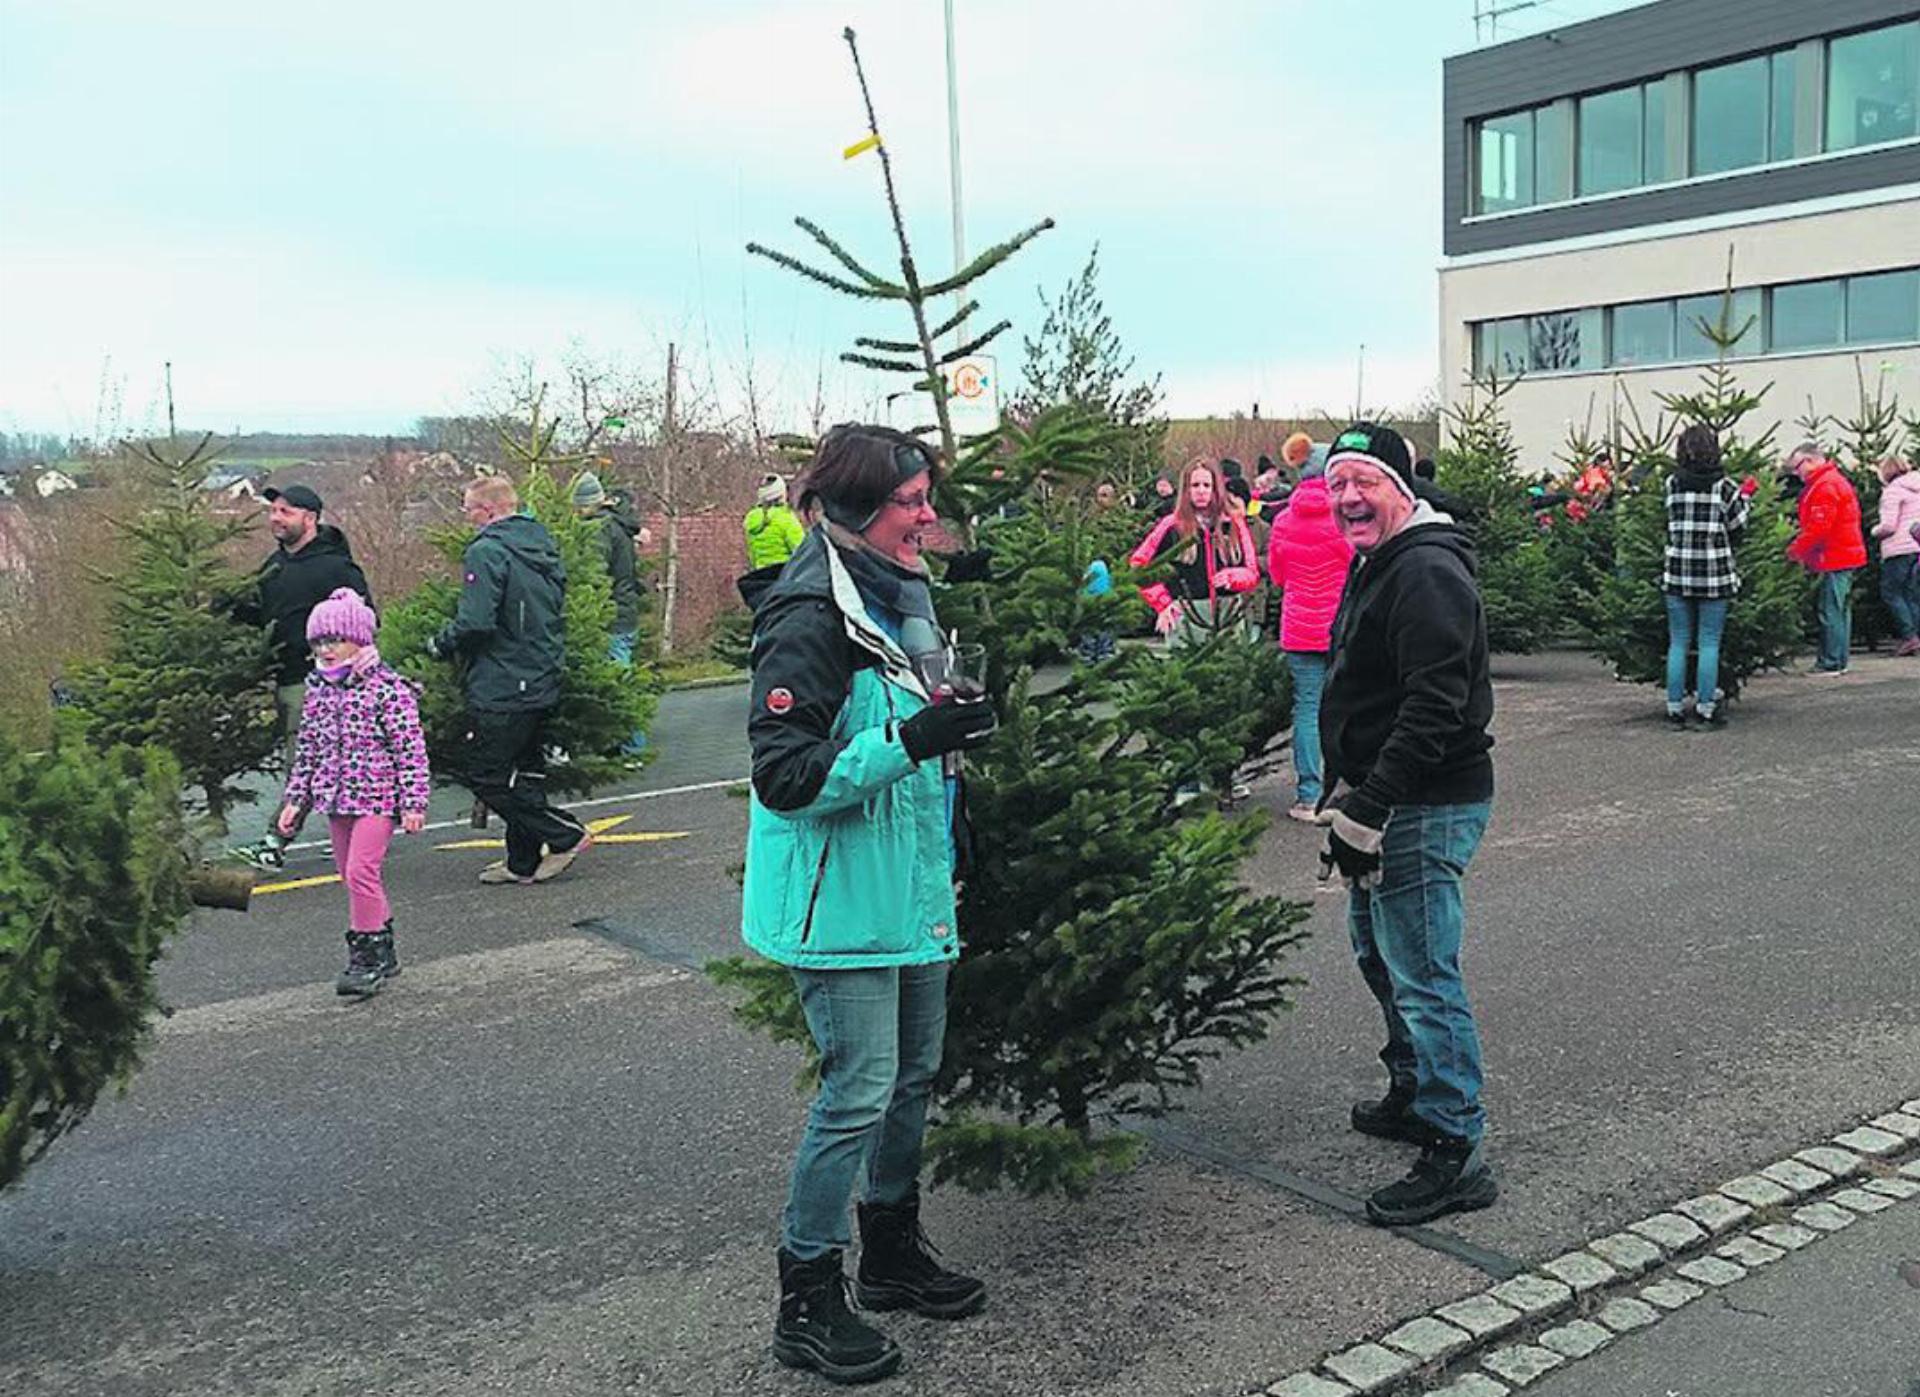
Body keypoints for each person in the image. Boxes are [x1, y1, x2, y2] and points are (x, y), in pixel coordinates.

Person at [740, 424, 997, 1385]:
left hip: (909, 887)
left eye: (927, 496)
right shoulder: (811, 613)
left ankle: (891, 1251)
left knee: (913, 1073)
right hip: (837, 904)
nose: (929, 515)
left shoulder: (901, 595)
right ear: (857, 508)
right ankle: (807, 1298)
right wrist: (916, 741)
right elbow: (787, 777)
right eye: (913, 500)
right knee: (857, 1090)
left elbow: (910, 720)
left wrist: (950, 744)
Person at [1317, 422, 1498, 1227]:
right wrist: (1344, 788)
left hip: (1424, 801)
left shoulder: (1424, 570)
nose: (1349, 496)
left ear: (1402, 487)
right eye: (1337, 483)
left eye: (1365, 481)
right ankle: (1415, 1088)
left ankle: (1456, 1147)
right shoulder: (1379, 559)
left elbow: (1435, 705)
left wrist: (1370, 805)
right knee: (1376, 949)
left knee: (1423, 968)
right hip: (1383, 796)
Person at [425, 475, 592, 885]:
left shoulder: (486, 552)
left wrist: (440, 644)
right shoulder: (541, 545)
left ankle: (564, 834)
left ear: (489, 511)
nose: (467, 519)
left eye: (469, 511)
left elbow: (476, 621)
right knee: (525, 770)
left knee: (485, 772)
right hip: (541, 672)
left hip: (503, 679)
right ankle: (522, 861)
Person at [276, 588, 429, 996]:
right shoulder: (318, 692)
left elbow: (410, 750)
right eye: (318, 643)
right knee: (349, 875)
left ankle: (364, 958)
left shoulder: (387, 689)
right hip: (334, 797)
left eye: (334, 641)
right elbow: (307, 750)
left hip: (377, 798)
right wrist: (296, 800)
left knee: (362, 871)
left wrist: (413, 803)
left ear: (359, 641)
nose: (325, 651)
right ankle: (384, 944)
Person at [230, 483, 373, 871]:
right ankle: (363, 830)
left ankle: (275, 841)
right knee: (331, 762)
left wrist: (340, 667)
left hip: (320, 683)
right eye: (273, 511)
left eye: (286, 512)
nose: (276, 518)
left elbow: (363, 620)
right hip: (285, 676)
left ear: (309, 519)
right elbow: (260, 613)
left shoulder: (335, 568)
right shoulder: (275, 566)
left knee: (304, 765)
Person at [1266, 446, 1353, 822]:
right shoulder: (1344, 517)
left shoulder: (1284, 520)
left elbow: (1277, 576)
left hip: (1299, 628)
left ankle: (1307, 795)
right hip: (1341, 627)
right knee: (1347, 708)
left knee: (1307, 708)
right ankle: (1345, 789)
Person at [1660, 425, 1754, 729]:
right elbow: (1739, 525)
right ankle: (1705, 707)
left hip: (1677, 572)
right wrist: (1748, 500)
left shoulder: (1672, 484)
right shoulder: (1724, 487)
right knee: (1709, 642)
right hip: (1715, 575)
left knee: (1678, 642)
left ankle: (1674, 707)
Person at [1128, 457, 1259, 646]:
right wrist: (1163, 603)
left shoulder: (1234, 524)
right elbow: (1139, 566)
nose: (1201, 491)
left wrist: (1234, 576)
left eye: (1207, 485)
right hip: (1185, 615)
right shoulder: (1171, 526)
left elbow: (1251, 571)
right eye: (1195, 485)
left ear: (1216, 489)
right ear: (1186, 490)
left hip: (1229, 615)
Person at [574, 471, 649, 759]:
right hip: (623, 611)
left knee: (619, 682)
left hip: (610, 616)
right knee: (619, 676)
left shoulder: (598, 530)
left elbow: (595, 573)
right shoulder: (618, 525)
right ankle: (620, 744)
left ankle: (633, 748)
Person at [1786, 443, 1867, 674]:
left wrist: (1795, 550)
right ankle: (1838, 659)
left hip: (1834, 556)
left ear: (1810, 461)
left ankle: (1831, 661)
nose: (1796, 473)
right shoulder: (1831, 481)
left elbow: (1819, 527)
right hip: (1842, 554)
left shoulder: (1825, 486)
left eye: (1797, 467)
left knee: (1830, 610)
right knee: (1839, 610)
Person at [1871, 455, 1920, 656]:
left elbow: (1889, 526)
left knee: (1892, 593)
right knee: (1912, 593)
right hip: (1917, 545)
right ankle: (1916, 635)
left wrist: (1874, 531)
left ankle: (1910, 637)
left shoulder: (1893, 491)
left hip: (1898, 548)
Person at [746, 473, 806, 571]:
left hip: (761, 576)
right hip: (784, 576)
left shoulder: (751, 519)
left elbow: (752, 555)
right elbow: (803, 553)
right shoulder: (785, 519)